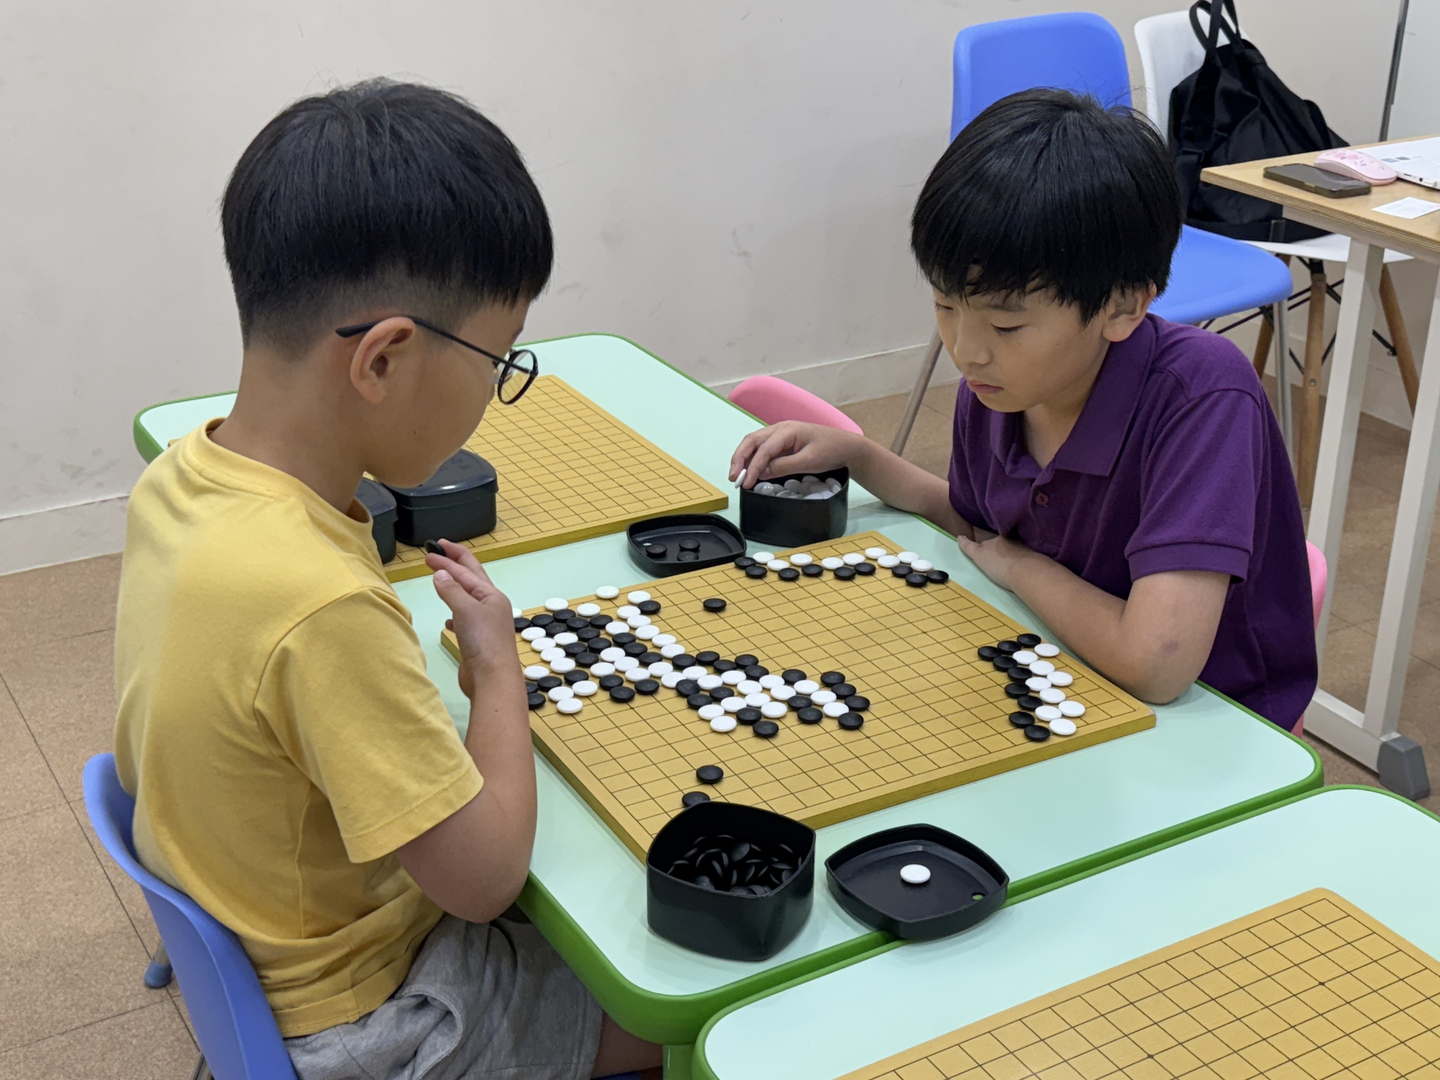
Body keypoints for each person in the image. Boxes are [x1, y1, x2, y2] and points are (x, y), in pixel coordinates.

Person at [114, 80, 661, 1079]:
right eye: (499, 362)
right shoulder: (318, 606)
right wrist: (497, 673)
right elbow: (484, 881)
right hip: (367, 1023)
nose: (497, 393)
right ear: (383, 360)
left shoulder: (180, 476)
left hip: (260, 935)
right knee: (684, 1021)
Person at [730, 89, 1316, 730]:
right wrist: (861, 456)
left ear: (1123, 307)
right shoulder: (1003, 389)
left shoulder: (1202, 398)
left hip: (1216, 726)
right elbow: (983, 524)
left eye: (1006, 327)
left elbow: (1158, 666)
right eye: (945, 306)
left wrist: (1022, 570)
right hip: (1067, 677)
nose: (965, 351)